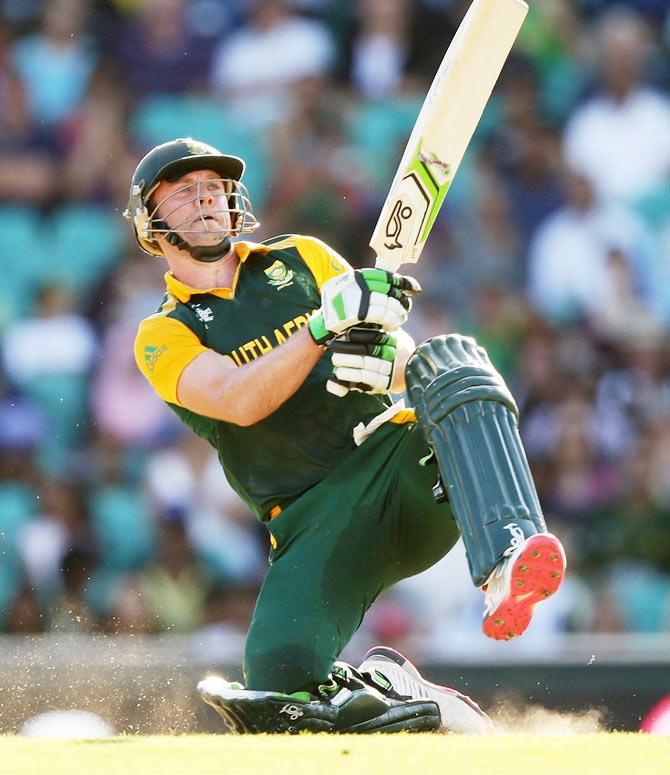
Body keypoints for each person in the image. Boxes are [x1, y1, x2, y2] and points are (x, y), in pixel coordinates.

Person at [125, 138, 566, 734]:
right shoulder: (162, 333)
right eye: (183, 193)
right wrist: (320, 327)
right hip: (312, 520)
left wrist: (395, 361)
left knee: (453, 358)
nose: (205, 201)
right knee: (277, 685)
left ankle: (509, 552)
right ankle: (398, 691)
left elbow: (399, 346)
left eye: (214, 188)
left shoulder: (303, 257)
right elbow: (236, 400)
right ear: (150, 221)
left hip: (397, 466)